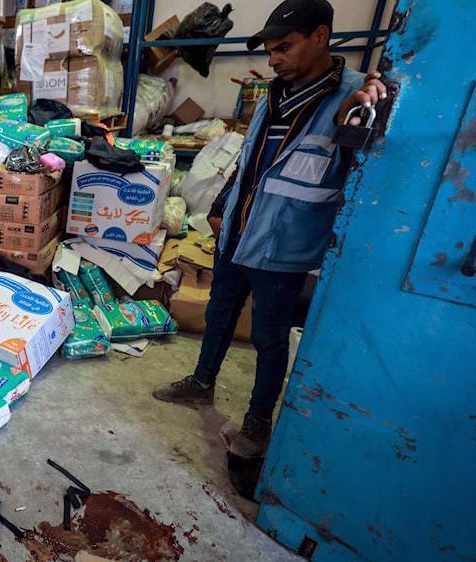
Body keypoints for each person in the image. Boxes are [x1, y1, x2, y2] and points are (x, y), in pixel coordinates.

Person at [153, 0, 387, 458]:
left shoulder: (355, 98)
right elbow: (248, 160)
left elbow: (363, 169)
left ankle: (258, 422)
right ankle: (202, 383)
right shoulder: (275, 93)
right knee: (219, 315)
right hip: (238, 234)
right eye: (271, 50)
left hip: (285, 245)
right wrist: (222, 206)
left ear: (321, 37)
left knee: (269, 336)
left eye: (285, 47)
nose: (274, 58)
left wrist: (367, 114)